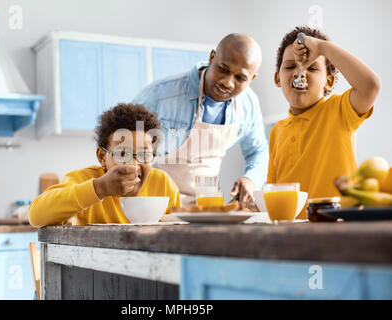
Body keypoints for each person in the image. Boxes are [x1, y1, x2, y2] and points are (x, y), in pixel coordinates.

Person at [133, 33, 268, 209]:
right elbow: (124, 146)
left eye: (240, 78)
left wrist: (251, 179)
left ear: (252, 78)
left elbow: (258, 150)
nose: (228, 83)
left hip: (208, 208)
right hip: (157, 206)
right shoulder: (160, 94)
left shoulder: (249, 104)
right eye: (223, 69)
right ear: (212, 58)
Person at [269, 26, 381, 218]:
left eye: (311, 67)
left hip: (339, 228)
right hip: (293, 235)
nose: (300, 73)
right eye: (289, 67)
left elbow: (370, 86)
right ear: (277, 78)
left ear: (329, 81)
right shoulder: (277, 131)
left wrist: (322, 47)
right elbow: (273, 190)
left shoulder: (340, 111)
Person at [28, 103, 181, 226]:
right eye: (123, 154)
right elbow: (36, 216)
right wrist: (100, 188)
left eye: (144, 154)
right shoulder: (84, 180)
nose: (133, 165)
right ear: (102, 156)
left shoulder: (163, 184)